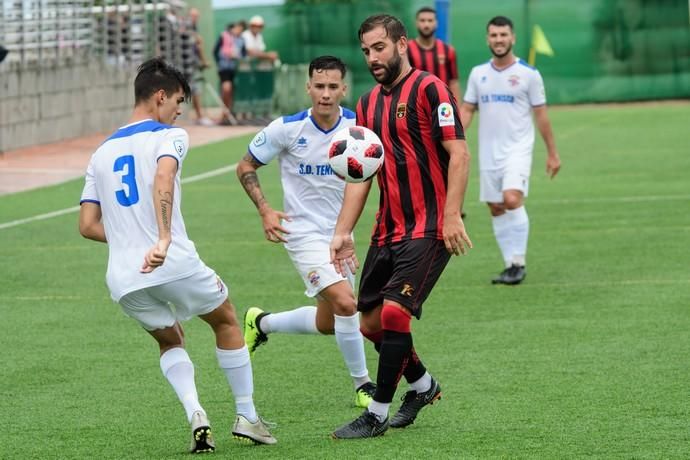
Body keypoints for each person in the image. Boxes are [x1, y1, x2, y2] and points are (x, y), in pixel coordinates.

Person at [78, 57, 276, 452]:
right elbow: (163, 177)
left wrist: (129, 240)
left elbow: (87, 225)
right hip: (172, 260)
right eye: (179, 101)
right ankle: (247, 416)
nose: (180, 110)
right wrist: (163, 239)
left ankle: (195, 414)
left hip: (124, 277)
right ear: (160, 96)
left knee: (171, 341)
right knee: (227, 320)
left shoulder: (99, 153)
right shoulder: (171, 136)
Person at [329, 14, 472, 439]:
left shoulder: (431, 88)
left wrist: (451, 215)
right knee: (370, 323)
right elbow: (361, 174)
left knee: (394, 312)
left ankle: (376, 413)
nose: (373, 57)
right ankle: (424, 386)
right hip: (387, 228)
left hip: (429, 226)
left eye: (380, 48)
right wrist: (343, 230)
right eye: (367, 51)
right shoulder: (368, 104)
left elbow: (459, 155)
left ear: (402, 44)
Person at [236, 55, 376, 409]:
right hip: (302, 235)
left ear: (344, 89)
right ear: (308, 87)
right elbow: (245, 165)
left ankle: (262, 323)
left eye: (333, 87)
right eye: (319, 86)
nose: (325, 94)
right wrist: (266, 210)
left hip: (341, 234)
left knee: (329, 322)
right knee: (347, 304)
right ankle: (364, 386)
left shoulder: (359, 131)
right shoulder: (287, 128)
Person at [460, 15, 561, 285]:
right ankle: (509, 266)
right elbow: (468, 109)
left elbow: (541, 115)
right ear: (487, 39)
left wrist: (552, 153)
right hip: (488, 152)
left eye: (503, 35)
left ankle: (519, 262)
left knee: (512, 199)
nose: (499, 40)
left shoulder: (529, 74)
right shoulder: (478, 74)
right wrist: (454, 137)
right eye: (494, 35)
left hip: (518, 149)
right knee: (495, 206)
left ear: (513, 38)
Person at [407, 6, 462, 102]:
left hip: (443, 105)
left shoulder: (448, 50)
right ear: (416, 23)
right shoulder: (407, 50)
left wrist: (457, 109)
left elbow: (454, 82)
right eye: (422, 20)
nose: (426, 24)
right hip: (415, 105)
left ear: (436, 23)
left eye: (430, 20)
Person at [185, 8, 214, 126]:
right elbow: (198, 46)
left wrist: (202, 62)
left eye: (196, 16)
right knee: (192, 90)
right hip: (184, 65)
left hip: (192, 65)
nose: (195, 19)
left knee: (195, 89)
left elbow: (198, 48)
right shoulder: (186, 28)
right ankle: (199, 116)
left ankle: (199, 116)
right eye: (193, 16)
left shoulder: (194, 29)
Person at [213, 22, 246, 125]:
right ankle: (224, 113)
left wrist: (237, 56)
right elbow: (215, 51)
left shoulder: (241, 40)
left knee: (231, 92)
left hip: (234, 69)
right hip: (224, 68)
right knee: (226, 89)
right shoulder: (224, 36)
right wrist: (220, 62)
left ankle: (227, 115)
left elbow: (243, 54)